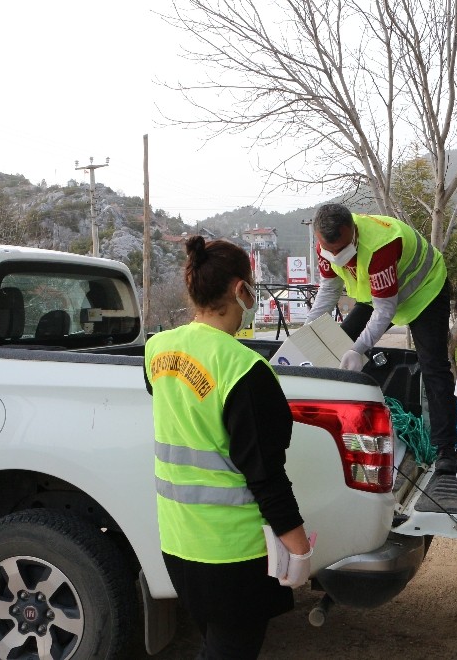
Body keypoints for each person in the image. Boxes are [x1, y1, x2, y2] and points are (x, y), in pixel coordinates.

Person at [145, 235, 312, 659]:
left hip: (178, 543)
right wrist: (299, 549)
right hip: (231, 554)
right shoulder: (244, 370)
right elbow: (265, 474)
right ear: (241, 289)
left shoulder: (157, 350)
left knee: (215, 643)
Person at [305, 203, 457, 472]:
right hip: (375, 296)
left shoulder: (381, 245)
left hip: (424, 292)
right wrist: (308, 334)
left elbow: (385, 311)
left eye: (341, 249)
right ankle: (340, 432)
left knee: (433, 366)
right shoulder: (324, 247)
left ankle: (445, 448)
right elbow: (328, 292)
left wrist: (360, 349)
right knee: (337, 349)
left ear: (352, 229)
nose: (336, 255)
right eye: (330, 250)